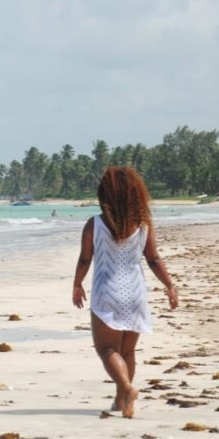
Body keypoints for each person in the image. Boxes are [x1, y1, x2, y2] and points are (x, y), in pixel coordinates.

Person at [71, 166, 179, 418]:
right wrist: (170, 286)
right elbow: (153, 259)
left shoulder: (94, 224)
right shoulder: (143, 224)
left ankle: (127, 390)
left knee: (107, 350)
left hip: (106, 292)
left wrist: (77, 284)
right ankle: (122, 402)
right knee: (128, 352)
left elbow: (85, 259)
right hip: (135, 293)